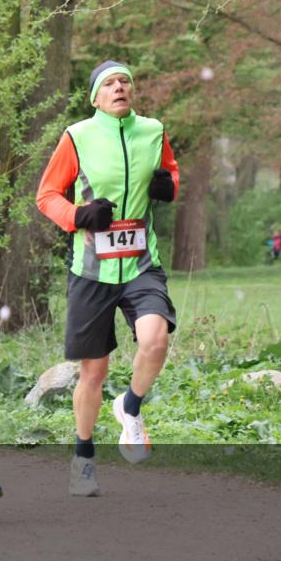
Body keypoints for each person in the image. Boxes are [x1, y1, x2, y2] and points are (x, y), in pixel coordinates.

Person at [36, 60, 179, 497]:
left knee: (156, 339)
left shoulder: (153, 131)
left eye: (125, 82)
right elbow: (46, 196)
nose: (119, 88)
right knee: (92, 372)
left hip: (140, 263)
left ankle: (130, 407)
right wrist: (78, 216)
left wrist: (168, 185)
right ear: (95, 97)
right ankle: (83, 457)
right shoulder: (77, 136)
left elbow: (170, 171)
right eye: (110, 84)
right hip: (92, 270)